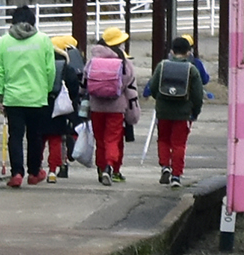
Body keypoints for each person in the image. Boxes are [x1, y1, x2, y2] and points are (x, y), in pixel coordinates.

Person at [0, 4, 56, 187]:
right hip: (37, 96)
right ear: (33, 21)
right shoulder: (43, 40)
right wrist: (47, 89)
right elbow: (50, 70)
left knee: (16, 136)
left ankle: (17, 173)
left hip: (13, 98)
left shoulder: (3, 42)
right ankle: (35, 172)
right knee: (35, 136)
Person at [143, 35, 204, 186]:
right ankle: (176, 175)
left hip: (163, 110)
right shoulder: (192, 70)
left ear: (171, 51)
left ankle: (165, 166)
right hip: (183, 113)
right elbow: (197, 95)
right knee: (179, 144)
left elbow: (153, 87)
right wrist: (195, 111)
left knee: (163, 139)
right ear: (189, 52)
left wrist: (160, 99)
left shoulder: (162, 66)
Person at [86, 27, 136, 185]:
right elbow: (129, 85)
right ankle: (110, 166)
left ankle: (101, 170)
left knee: (100, 140)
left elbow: (84, 81)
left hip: (96, 107)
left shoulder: (93, 60)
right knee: (112, 139)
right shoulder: (123, 61)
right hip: (116, 107)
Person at [44, 35, 86, 183]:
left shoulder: (41, 64)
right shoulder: (66, 67)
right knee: (56, 140)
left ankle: (35, 169)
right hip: (60, 107)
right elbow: (74, 87)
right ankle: (53, 171)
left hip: (40, 104)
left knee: (39, 139)